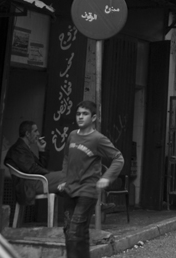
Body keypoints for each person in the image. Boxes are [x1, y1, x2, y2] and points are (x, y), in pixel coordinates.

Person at [57, 100, 123, 258]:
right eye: (78, 114)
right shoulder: (72, 135)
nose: (80, 117)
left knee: (74, 231)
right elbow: (66, 158)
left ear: (93, 118)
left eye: (85, 114)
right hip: (69, 190)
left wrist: (106, 178)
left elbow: (118, 158)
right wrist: (63, 179)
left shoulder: (97, 139)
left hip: (87, 191)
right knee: (71, 231)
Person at [4, 120, 65, 209]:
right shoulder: (18, 149)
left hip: (35, 182)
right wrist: (48, 173)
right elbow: (32, 169)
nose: (38, 134)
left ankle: (71, 213)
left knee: (67, 184)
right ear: (28, 134)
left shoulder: (24, 147)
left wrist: (41, 150)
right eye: (35, 131)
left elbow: (40, 167)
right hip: (29, 185)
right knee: (66, 175)